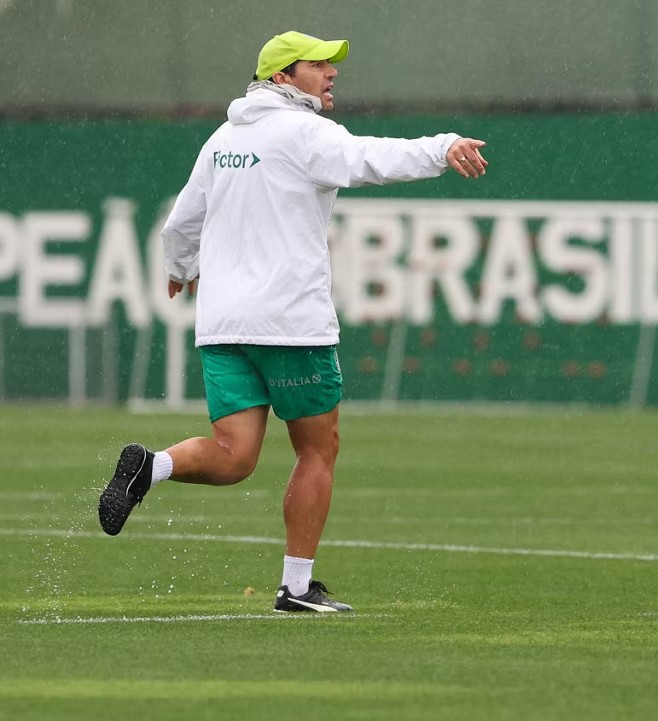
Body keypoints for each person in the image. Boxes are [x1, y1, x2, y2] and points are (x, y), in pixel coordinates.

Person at [98, 31, 488, 612]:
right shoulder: (306, 132)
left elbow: (182, 219)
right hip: (290, 323)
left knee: (234, 457)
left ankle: (151, 468)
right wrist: (444, 145)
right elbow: (371, 160)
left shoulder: (223, 138)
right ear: (282, 77)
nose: (331, 73)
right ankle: (297, 588)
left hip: (225, 325)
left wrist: (179, 268)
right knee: (317, 449)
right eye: (318, 64)